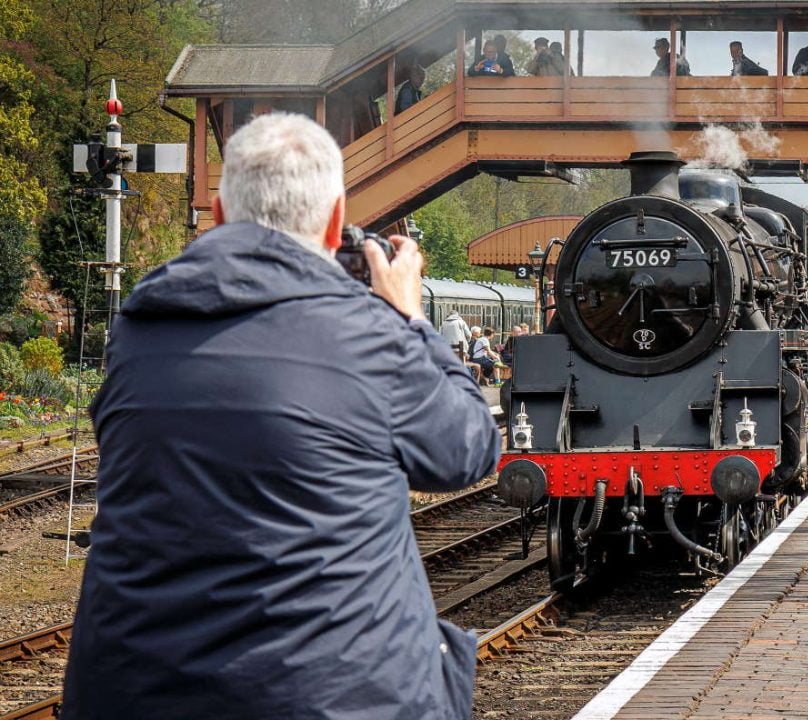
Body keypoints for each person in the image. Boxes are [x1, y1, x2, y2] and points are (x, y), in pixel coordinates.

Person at [60, 113, 499, 720]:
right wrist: (410, 320)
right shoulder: (371, 333)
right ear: (335, 219)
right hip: (333, 700)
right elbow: (468, 451)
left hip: (130, 695)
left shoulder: (139, 328)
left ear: (218, 213)